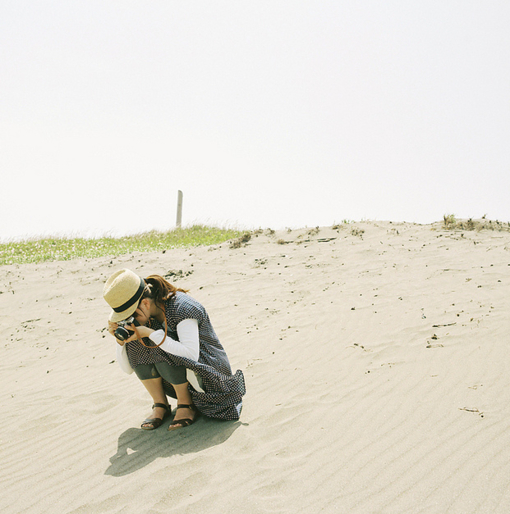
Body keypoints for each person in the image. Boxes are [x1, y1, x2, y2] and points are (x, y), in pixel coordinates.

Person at [103, 268, 245, 431]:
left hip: (210, 379)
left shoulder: (182, 308)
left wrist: (149, 333)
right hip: (184, 380)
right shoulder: (147, 317)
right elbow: (127, 369)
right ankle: (160, 405)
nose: (129, 320)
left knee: (156, 339)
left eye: (130, 315)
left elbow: (191, 354)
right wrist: (120, 341)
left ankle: (186, 404)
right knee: (140, 338)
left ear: (145, 303)